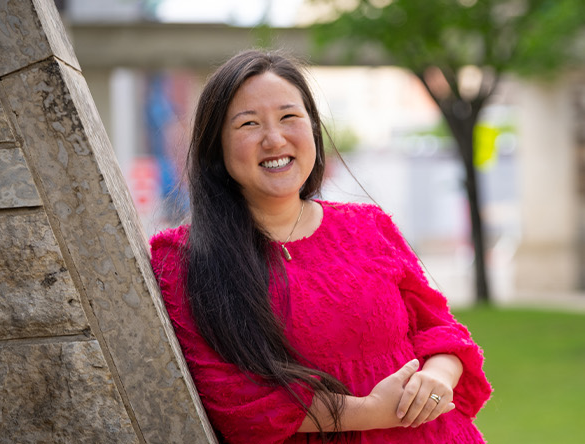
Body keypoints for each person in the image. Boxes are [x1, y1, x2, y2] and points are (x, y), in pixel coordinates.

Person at [148, 50, 491, 443]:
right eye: (248, 124)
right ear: (216, 148)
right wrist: (369, 411)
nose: (274, 139)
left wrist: (436, 378)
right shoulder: (183, 259)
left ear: (313, 128)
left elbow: (441, 330)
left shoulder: (368, 225)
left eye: (289, 117)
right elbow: (232, 399)